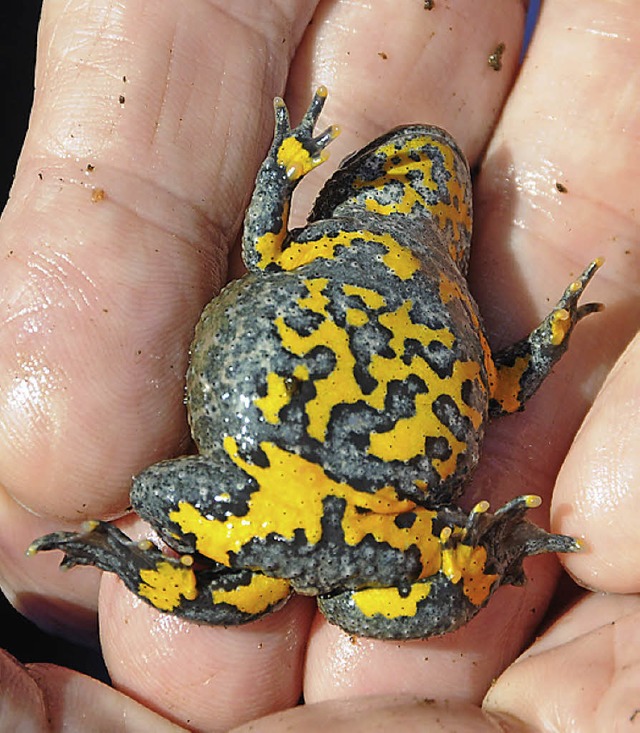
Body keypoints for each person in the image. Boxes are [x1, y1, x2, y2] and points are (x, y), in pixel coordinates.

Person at [0, 2, 638, 730]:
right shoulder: (447, 297)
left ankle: (172, 571)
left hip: (266, 508)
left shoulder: (319, 250)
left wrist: (283, 165)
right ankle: (466, 561)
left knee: (154, 494)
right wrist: (552, 334)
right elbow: (507, 387)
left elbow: (261, 244)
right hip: (371, 535)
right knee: (159, 498)